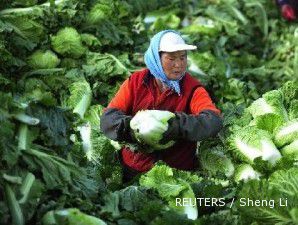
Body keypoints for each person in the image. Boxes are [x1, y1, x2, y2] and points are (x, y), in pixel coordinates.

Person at [100, 30, 223, 182]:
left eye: (183, 57)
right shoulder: (136, 82)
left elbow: (212, 120)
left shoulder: (193, 89)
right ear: (156, 59)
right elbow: (108, 118)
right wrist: (132, 130)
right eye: (171, 58)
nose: (178, 65)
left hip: (176, 175)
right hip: (133, 170)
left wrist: (175, 126)